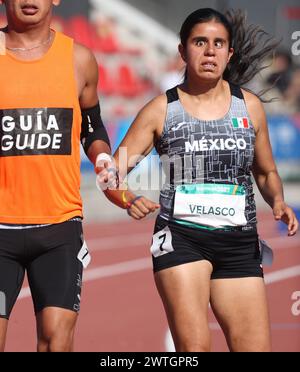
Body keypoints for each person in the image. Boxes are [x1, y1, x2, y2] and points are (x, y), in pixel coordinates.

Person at [99, 8, 299, 352]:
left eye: (219, 43)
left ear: (229, 53)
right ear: (182, 51)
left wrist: (277, 201)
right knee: (194, 350)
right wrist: (129, 199)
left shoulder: (248, 107)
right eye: (200, 42)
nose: (210, 51)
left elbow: (265, 173)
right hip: (182, 239)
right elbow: (111, 173)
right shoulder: (161, 110)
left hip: (239, 243)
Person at [0, 0, 112, 352]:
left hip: (59, 225)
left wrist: (103, 156)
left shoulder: (79, 59)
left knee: (55, 341)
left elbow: (92, 126)